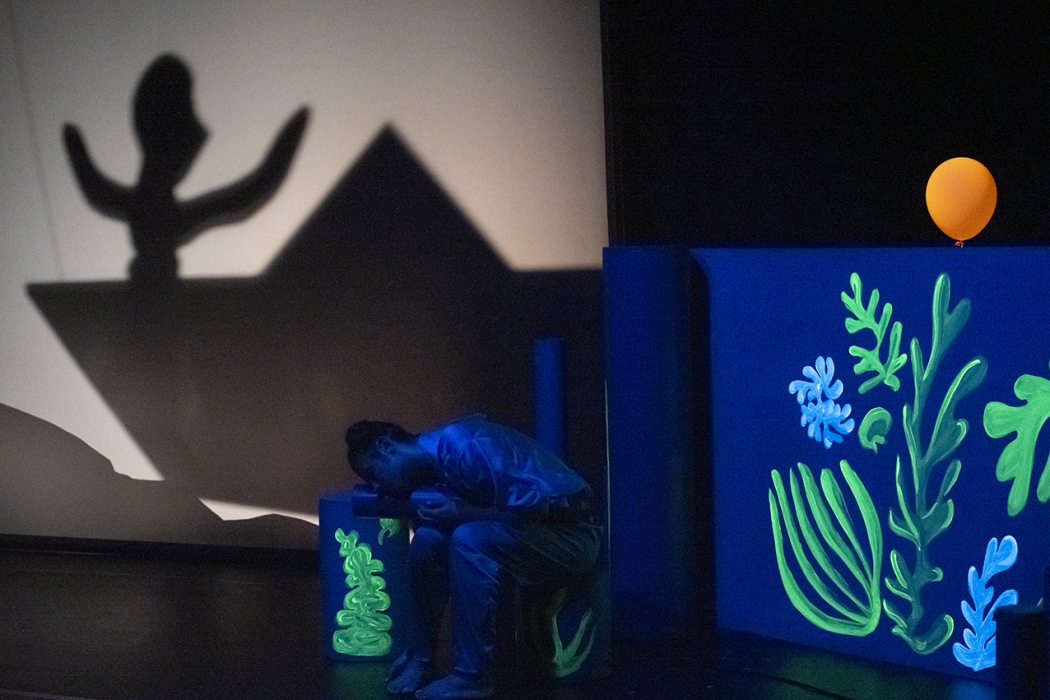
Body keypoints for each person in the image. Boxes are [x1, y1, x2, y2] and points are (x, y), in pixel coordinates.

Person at [345, 415, 602, 700]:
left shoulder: (463, 443)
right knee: (428, 539)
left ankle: (471, 677)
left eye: (372, 474)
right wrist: (456, 514)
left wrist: (460, 512)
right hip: (529, 532)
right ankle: (419, 657)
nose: (377, 487)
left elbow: (538, 509)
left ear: (386, 447)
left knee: (469, 539)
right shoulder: (432, 467)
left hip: (572, 534)